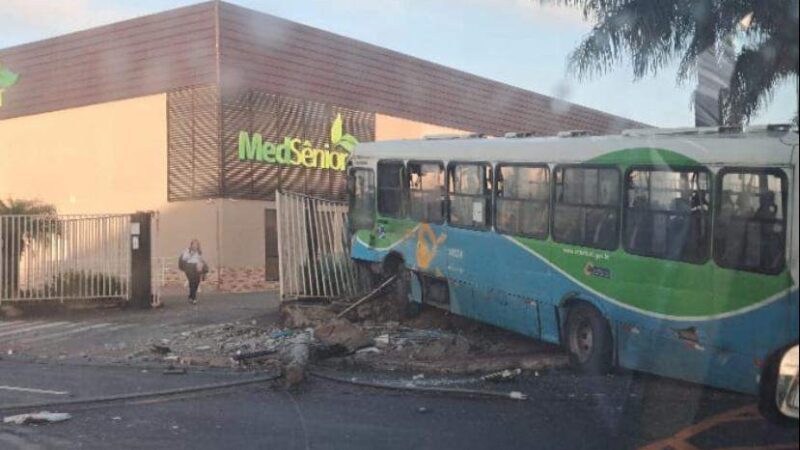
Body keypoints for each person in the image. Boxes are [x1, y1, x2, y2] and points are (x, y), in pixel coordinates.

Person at [179, 239, 208, 305]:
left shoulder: (199, 252)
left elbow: (200, 259)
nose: (195, 246)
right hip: (189, 266)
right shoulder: (187, 250)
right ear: (191, 245)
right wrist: (191, 254)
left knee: (197, 282)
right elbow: (184, 258)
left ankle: (191, 296)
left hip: (197, 267)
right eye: (194, 244)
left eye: (197, 244)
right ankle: (193, 298)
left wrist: (202, 265)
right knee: (192, 281)